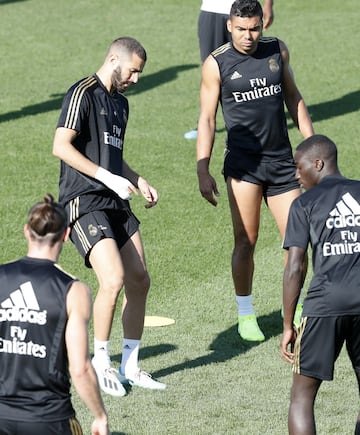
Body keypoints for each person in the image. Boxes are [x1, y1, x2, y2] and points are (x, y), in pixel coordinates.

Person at [52, 36, 166, 396]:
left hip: (116, 199)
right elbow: (61, 146)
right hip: (84, 200)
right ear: (115, 59)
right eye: (133, 70)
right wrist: (106, 178)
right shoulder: (82, 92)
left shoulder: (121, 104)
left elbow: (113, 156)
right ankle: (100, 360)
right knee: (113, 279)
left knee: (139, 279)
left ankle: (129, 366)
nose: (136, 78)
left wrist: (136, 179)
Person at [196, 0, 314, 341]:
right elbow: (206, 119)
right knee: (245, 241)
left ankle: (298, 305)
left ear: (262, 25)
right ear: (230, 25)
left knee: (297, 242)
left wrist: (312, 144)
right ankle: (246, 314)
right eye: (242, 29)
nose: (248, 36)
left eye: (254, 29)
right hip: (243, 168)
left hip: (282, 164)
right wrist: (203, 168)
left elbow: (294, 98)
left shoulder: (277, 51)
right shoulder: (216, 64)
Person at [0, 194, 109, 435]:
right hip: (49, 419)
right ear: (66, 235)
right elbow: (79, 368)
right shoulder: (74, 291)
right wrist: (100, 415)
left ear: (27, 231)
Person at [281, 135, 360, 434]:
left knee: (301, 397)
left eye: (299, 168)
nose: (296, 175)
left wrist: (288, 323)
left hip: (324, 305)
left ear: (318, 163)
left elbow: (295, 267)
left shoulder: (304, 204)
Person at [184, 0, 274, 140]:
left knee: (251, 65)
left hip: (247, 12)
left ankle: (252, 122)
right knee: (210, 69)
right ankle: (205, 124)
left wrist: (268, 4)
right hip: (212, 10)